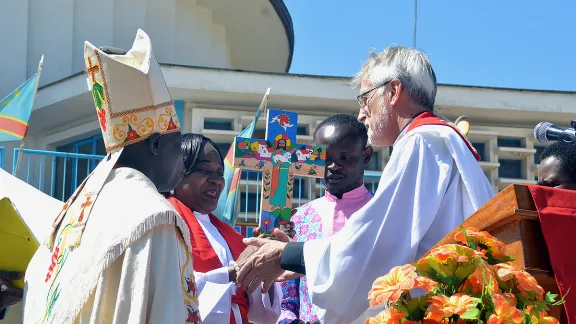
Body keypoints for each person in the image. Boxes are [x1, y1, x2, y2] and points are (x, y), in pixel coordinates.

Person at [235, 46, 496, 323]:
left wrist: (289, 254)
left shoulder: (421, 142)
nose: (361, 114)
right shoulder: (441, 141)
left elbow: (377, 247)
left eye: (365, 99)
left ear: (394, 92)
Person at [23, 30, 201, 324]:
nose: (182, 160)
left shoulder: (75, 209)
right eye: (176, 146)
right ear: (155, 144)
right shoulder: (154, 215)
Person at [166, 133, 281, 323]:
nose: (217, 180)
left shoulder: (230, 236)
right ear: (176, 173)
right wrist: (229, 274)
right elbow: (166, 289)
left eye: (220, 173)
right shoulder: (165, 221)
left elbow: (262, 314)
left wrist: (264, 263)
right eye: (204, 170)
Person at [278, 114, 374, 324]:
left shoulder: (382, 213)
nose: (333, 166)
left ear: (365, 155)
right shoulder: (300, 218)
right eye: (324, 158)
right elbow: (288, 298)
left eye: (345, 157)